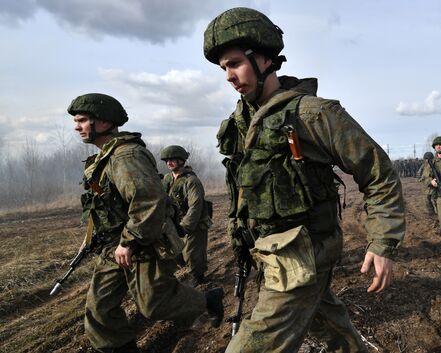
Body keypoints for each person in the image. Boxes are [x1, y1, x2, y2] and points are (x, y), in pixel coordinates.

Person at [203, 7, 405, 353]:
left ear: (264, 59)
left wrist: (382, 243)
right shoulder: (240, 123)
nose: (228, 76)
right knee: (327, 322)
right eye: (223, 68)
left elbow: (378, 173)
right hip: (272, 253)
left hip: (306, 252)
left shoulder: (311, 114)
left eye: (235, 63)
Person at [68, 93, 223, 353]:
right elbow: (104, 205)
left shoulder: (125, 156)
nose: (77, 126)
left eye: (83, 120)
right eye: (76, 121)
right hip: (114, 247)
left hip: (139, 244)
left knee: (153, 305)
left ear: (104, 122)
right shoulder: (104, 159)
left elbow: (148, 201)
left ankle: (207, 300)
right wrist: (91, 236)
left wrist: (129, 242)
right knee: (100, 311)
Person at [160, 145, 212, 287]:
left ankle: (199, 278)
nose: (169, 163)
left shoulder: (191, 181)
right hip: (176, 223)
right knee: (176, 253)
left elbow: (195, 206)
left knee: (193, 253)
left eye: (172, 159)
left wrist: (185, 227)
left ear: (181, 161)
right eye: (167, 160)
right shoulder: (166, 179)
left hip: (195, 223)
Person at [417, 152, 437, 219]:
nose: (427, 161)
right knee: (427, 201)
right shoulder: (423, 166)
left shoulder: (436, 165)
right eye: (426, 159)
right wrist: (426, 181)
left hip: (436, 187)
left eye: (429, 159)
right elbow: (418, 176)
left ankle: (440, 214)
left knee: (436, 200)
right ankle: (432, 214)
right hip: (426, 187)